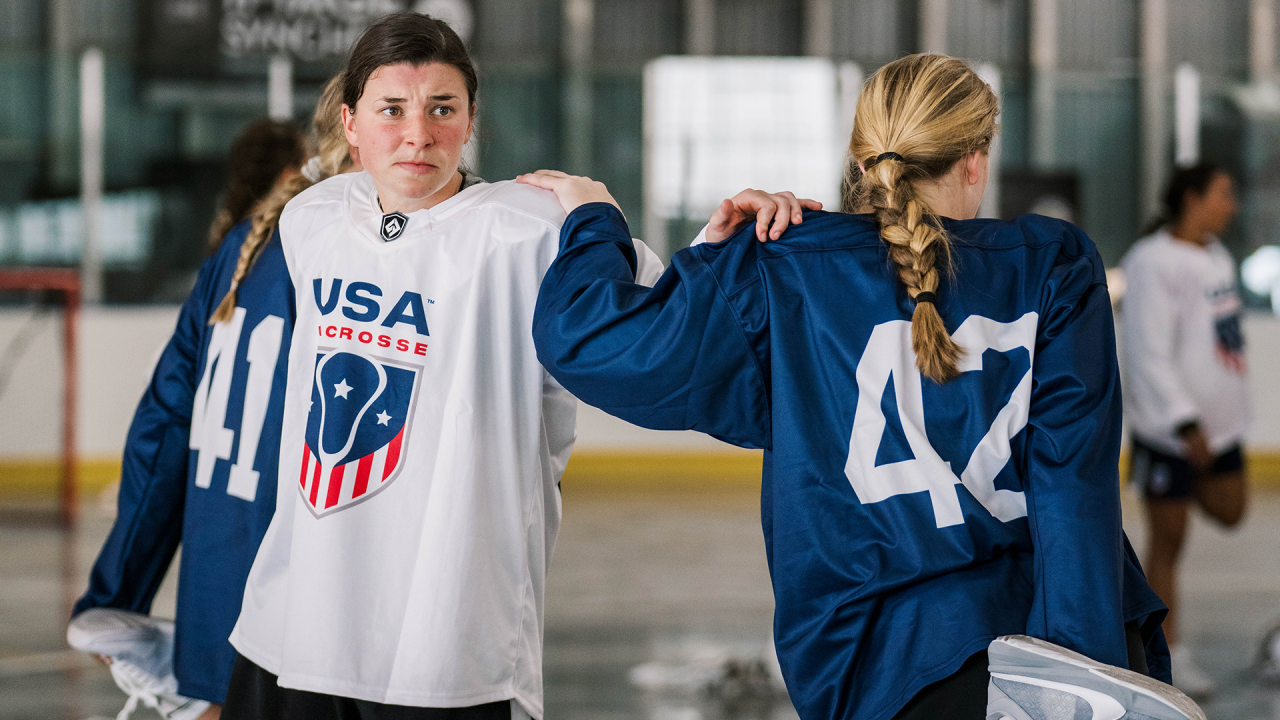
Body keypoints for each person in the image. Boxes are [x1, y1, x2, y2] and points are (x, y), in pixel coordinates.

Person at [520, 53, 1188, 720]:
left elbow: (589, 339)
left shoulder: (782, 267)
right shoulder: (1056, 262)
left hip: (893, 665)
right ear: (975, 158)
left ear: (863, 162)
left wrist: (599, 219)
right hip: (1061, 652)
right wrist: (1077, 677)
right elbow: (1074, 489)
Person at [219, 12, 803, 719]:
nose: (417, 133)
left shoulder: (531, 229)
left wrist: (728, 239)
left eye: (443, 108)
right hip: (296, 625)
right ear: (349, 123)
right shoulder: (311, 218)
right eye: (391, 110)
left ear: (469, 122)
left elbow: (665, 319)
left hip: (446, 642)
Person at [69, 75, 358, 720]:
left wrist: (117, 589)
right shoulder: (358, 263)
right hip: (296, 596)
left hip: (215, 584)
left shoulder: (243, 244)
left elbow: (165, 424)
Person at [1121, 162, 1247, 698]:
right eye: (1224, 193)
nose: (1232, 205)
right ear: (1192, 198)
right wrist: (1182, 420)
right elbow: (1147, 351)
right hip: (1170, 432)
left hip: (1219, 432)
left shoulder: (1217, 257)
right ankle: (1166, 656)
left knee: (1232, 509)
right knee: (1168, 543)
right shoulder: (1151, 262)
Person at [207, 119, 309, 248]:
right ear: (289, 176)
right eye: (311, 166)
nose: (320, 178)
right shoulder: (288, 244)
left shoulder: (228, 242)